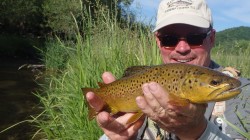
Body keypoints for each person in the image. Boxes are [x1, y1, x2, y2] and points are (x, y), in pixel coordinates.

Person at [86, 0, 250, 139]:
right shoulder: (145, 79)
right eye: (169, 38)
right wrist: (114, 136)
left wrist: (198, 132)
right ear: (158, 42)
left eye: (195, 37)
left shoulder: (244, 93)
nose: (182, 48)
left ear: (212, 38)